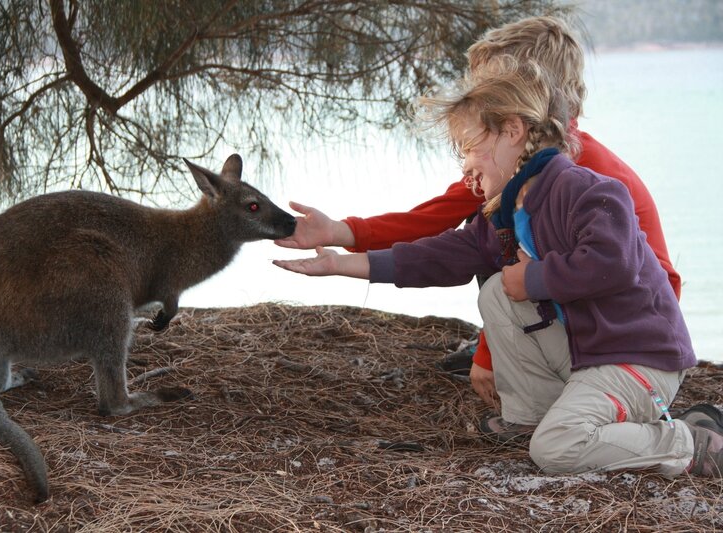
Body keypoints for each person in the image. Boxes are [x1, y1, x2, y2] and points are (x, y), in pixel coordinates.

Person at [273, 57, 723, 478]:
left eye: (470, 146)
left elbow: (612, 265)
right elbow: (439, 255)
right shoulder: (505, 214)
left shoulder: (590, 190)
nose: (464, 163)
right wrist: (340, 263)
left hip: (641, 359)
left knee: (557, 449)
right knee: (496, 293)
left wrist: (531, 278)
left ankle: (687, 442)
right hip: (590, 357)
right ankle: (531, 417)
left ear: (512, 130)